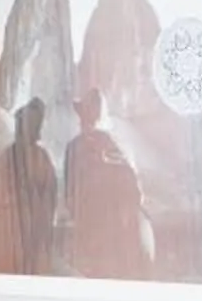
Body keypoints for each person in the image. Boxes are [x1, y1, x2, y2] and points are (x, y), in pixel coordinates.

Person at [62, 88, 151, 279]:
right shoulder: (121, 148)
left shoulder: (76, 147)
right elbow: (137, 196)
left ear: (83, 118)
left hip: (92, 236)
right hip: (122, 241)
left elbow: (70, 197)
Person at [0, 99, 57, 274]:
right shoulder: (7, 160)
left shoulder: (41, 160)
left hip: (32, 243)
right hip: (10, 242)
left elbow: (49, 204)